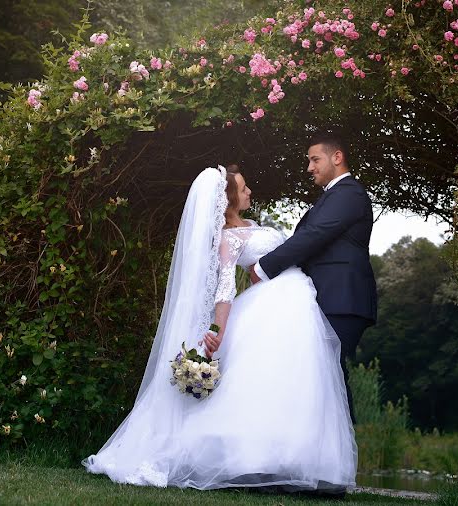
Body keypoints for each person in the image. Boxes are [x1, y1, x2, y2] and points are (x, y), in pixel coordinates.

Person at [84, 164, 356, 494]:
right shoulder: (229, 238)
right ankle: (255, 463)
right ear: (228, 200)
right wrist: (216, 329)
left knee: (293, 380)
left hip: (295, 299)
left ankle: (291, 462)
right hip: (275, 305)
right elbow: (225, 288)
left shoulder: (253, 226)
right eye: (243, 189)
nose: (249, 192)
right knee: (270, 382)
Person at [247, 132, 378, 424]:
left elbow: (313, 236)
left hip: (342, 298)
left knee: (329, 374)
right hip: (331, 297)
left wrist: (264, 267)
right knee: (323, 377)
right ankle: (328, 455)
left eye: (314, 159)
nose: (309, 167)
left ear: (337, 157)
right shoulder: (334, 196)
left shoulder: (348, 193)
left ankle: (339, 455)